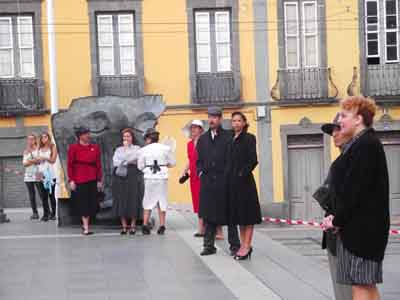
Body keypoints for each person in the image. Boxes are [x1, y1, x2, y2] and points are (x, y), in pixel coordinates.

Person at [322, 96, 390, 300]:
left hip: (362, 232)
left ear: (359, 119)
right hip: (362, 229)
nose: (339, 121)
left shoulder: (366, 145)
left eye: (344, 115)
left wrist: (336, 220)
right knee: (365, 285)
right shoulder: (363, 144)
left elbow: (354, 192)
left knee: (360, 287)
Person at [197, 106, 240, 256]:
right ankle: (209, 246)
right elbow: (199, 160)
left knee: (230, 215)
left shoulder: (229, 136)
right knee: (209, 215)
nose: (212, 120)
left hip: (225, 182)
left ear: (220, 119)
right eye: (210, 117)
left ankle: (235, 245)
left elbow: (233, 159)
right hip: (208, 183)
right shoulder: (202, 139)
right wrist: (200, 172)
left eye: (215, 117)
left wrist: (231, 175)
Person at [319, 113, 352, 300]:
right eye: (332, 132)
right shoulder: (340, 161)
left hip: (345, 233)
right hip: (335, 232)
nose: (334, 135)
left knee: (348, 288)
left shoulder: (351, 160)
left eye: (338, 129)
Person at [226, 112, 262, 260]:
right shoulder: (230, 139)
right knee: (239, 216)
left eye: (239, 120)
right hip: (232, 183)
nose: (236, 123)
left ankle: (247, 246)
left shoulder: (249, 138)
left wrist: (241, 174)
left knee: (248, 216)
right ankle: (243, 245)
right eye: (233, 121)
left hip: (245, 182)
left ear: (244, 122)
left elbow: (253, 160)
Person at [137, 128, 176, 235]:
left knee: (148, 199)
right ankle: (162, 225)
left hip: (149, 176)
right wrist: (165, 164)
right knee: (161, 200)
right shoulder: (166, 148)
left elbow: (140, 166)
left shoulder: (142, 150)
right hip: (162, 177)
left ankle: (145, 225)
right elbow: (173, 163)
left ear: (148, 138)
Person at [67, 127, 103, 235]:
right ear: (80, 136)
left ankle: (86, 225)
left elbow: (98, 165)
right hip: (80, 179)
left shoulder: (95, 148)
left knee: (92, 203)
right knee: (83, 203)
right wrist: (71, 180)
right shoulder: (73, 148)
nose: (88, 135)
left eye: (88, 133)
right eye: (86, 133)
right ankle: (86, 227)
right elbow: (70, 165)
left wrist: (99, 180)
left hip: (92, 178)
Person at [112, 128, 144, 235]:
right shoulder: (118, 149)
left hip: (133, 175)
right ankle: (124, 226)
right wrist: (128, 159)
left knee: (133, 199)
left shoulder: (137, 148)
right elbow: (116, 162)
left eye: (128, 136)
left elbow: (138, 159)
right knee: (121, 199)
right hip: (121, 176)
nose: (126, 138)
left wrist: (125, 160)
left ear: (132, 138)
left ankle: (133, 225)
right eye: (124, 136)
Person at [182, 120, 205, 237]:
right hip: (193, 176)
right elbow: (190, 159)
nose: (194, 130)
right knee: (197, 201)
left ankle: (204, 228)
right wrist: (184, 171)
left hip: (203, 175)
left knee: (204, 201)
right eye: (192, 128)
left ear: (201, 129)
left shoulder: (205, 142)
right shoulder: (189, 144)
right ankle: (202, 228)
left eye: (196, 128)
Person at [36, 132, 58, 221]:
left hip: (50, 173)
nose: (44, 139)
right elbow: (36, 161)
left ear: (48, 138)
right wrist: (37, 160)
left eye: (45, 137)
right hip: (40, 172)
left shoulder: (53, 147)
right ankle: (45, 214)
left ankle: (53, 214)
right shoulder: (39, 148)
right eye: (42, 137)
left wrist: (44, 158)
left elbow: (53, 160)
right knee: (43, 195)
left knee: (51, 194)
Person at [23, 134, 40, 220]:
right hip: (28, 175)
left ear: (35, 140)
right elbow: (24, 164)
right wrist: (33, 161)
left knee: (42, 194)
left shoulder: (38, 150)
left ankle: (47, 212)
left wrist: (30, 160)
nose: (30, 141)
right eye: (28, 139)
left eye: (31, 139)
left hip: (38, 174)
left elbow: (39, 161)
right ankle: (35, 213)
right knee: (31, 195)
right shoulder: (26, 151)